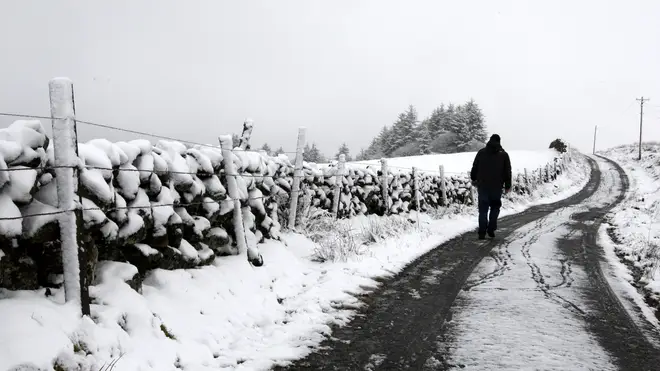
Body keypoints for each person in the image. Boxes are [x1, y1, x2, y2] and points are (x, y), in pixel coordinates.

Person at [470, 134, 512, 240]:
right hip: (497, 186)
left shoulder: (481, 152)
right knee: (495, 207)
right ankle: (491, 229)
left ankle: (482, 232)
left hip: (483, 186)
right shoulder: (504, 155)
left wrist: (473, 178)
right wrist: (507, 185)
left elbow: (475, 167)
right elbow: (507, 171)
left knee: (483, 209)